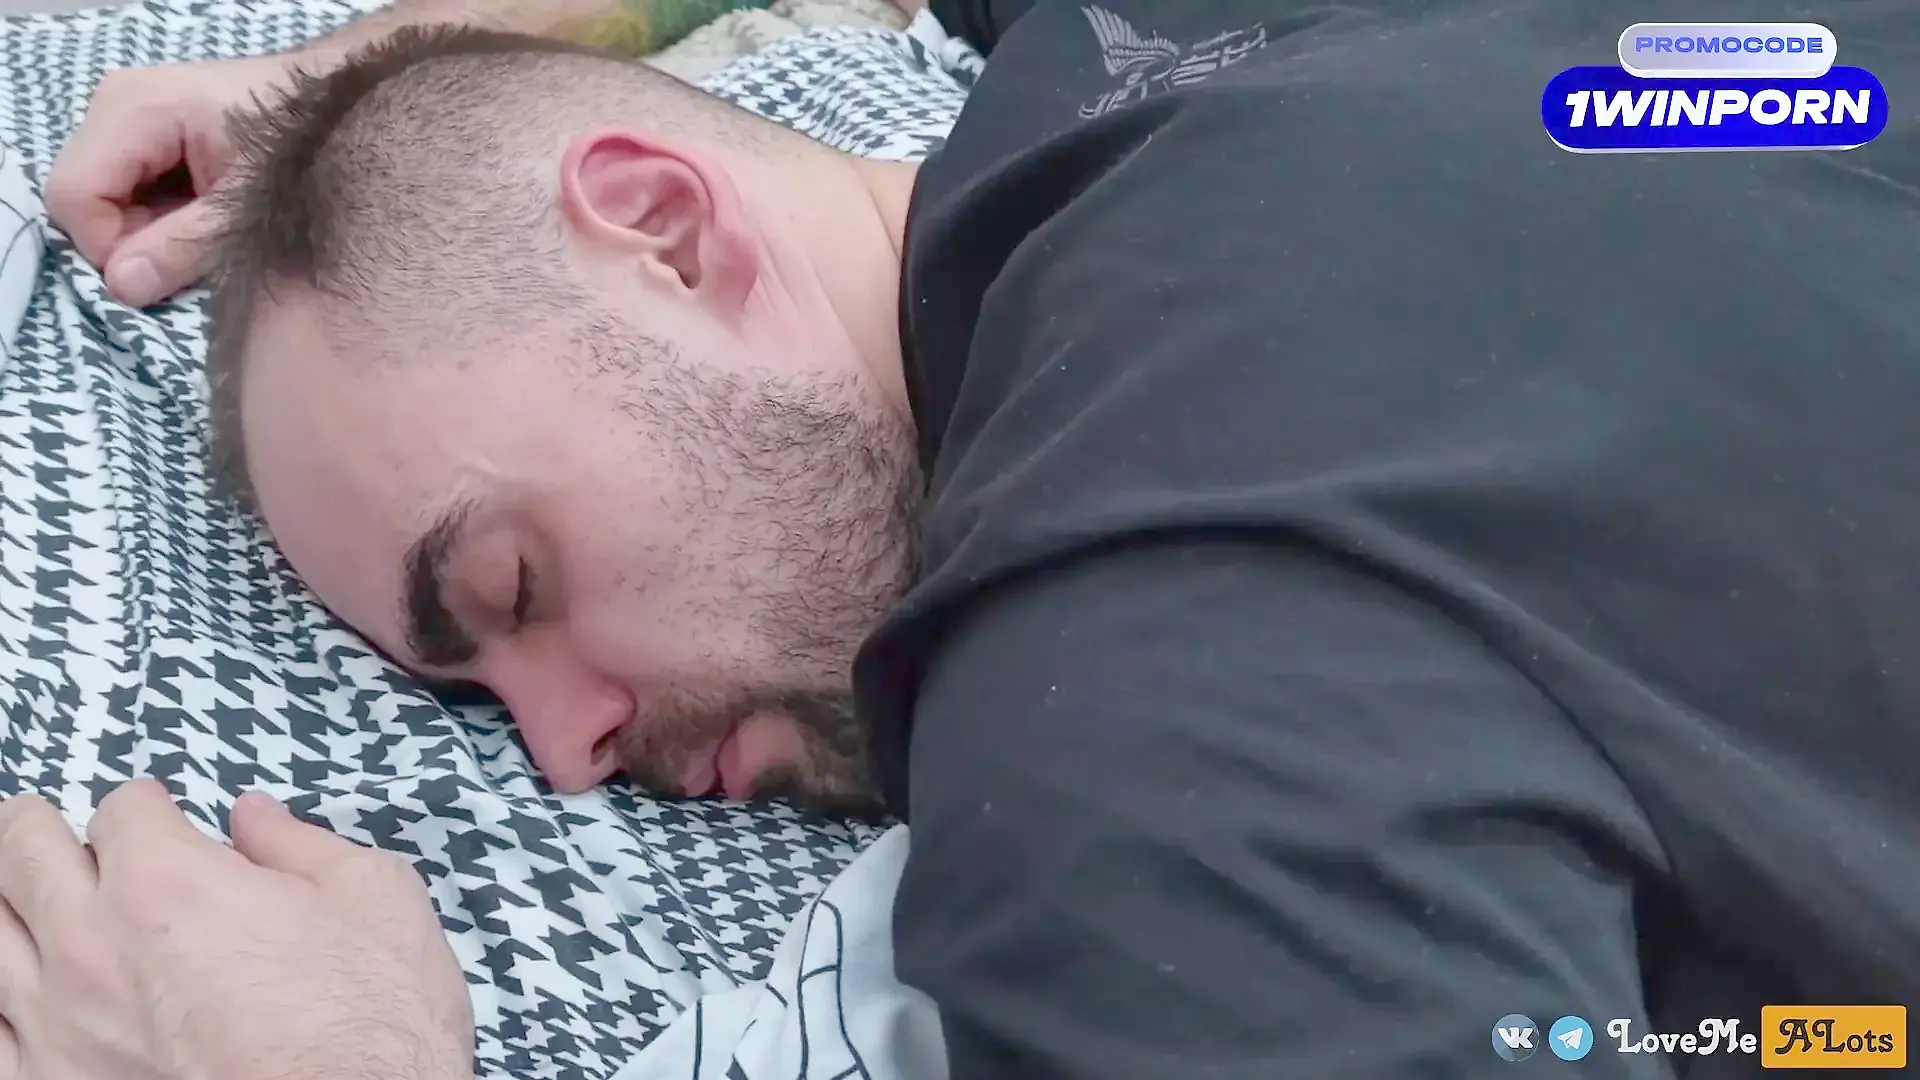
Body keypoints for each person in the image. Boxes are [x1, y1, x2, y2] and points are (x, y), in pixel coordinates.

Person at [5, 0, 1919, 1077]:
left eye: (512, 588)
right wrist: (373, 84)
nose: (566, 748)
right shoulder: (1150, 51)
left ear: (665, 227)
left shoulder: (1151, 689)